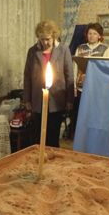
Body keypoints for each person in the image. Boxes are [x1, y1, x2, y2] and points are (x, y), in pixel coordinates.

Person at [23, 20, 74, 148]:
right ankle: (38, 163)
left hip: (57, 101)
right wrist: (27, 100)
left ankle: (52, 164)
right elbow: (27, 76)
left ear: (54, 36)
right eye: (42, 39)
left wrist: (69, 101)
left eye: (48, 39)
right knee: (37, 138)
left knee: (52, 137)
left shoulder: (63, 50)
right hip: (37, 101)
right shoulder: (32, 52)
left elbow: (69, 76)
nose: (45, 42)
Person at [70, 23, 109, 138]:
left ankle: (94, 136)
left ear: (99, 36)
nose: (91, 36)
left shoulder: (105, 49)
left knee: (95, 114)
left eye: (94, 33)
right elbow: (75, 67)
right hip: (81, 87)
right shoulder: (80, 48)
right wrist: (73, 86)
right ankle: (79, 136)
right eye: (89, 33)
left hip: (98, 89)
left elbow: (107, 69)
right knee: (80, 114)